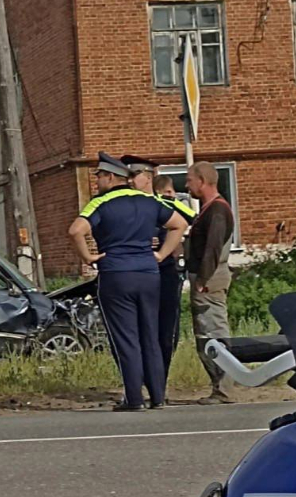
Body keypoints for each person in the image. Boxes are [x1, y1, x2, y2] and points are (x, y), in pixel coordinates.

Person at [68, 152, 188, 412]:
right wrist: (160, 254)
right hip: (148, 273)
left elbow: (76, 230)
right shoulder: (148, 201)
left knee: (126, 337)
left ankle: (134, 398)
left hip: (116, 275)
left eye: (99, 176)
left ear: (111, 177)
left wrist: (88, 257)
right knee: (151, 335)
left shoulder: (101, 203)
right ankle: (158, 396)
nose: (97, 181)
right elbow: (179, 224)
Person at [185, 161, 236, 404]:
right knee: (206, 331)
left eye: (189, 180)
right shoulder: (210, 209)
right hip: (208, 276)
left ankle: (224, 388)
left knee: (213, 331)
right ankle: (220, 386)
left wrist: (202, 279)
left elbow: (213, 247)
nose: (187, 185)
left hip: (210, 278)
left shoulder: (216, 210)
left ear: (202, 181)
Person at [153, 173, 196, 380]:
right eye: (167, 193)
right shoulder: (160, 204)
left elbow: (190, 218)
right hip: (162, 267)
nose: (171, 196)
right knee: (165, 326)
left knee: (164, 325)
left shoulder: (165, 206)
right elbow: (190, 217)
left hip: (165, 268)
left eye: (171, 193)